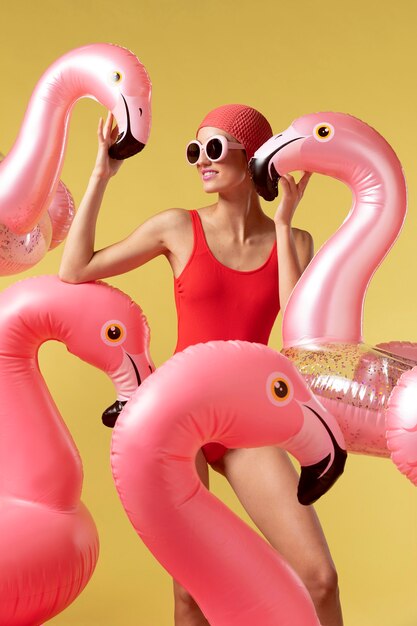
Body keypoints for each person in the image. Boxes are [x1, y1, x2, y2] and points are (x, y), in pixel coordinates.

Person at [59, 103, 343, 626]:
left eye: (214, 149)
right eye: (195, 151)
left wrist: (282, 226)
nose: (201, 162)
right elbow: (75, 269)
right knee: (190, 596)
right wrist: (101, 172)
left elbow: (303, 341)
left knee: (319, 579)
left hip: (247, 424)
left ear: (254, 159)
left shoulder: (296, 241)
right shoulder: (177, 228)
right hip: (177, 421)